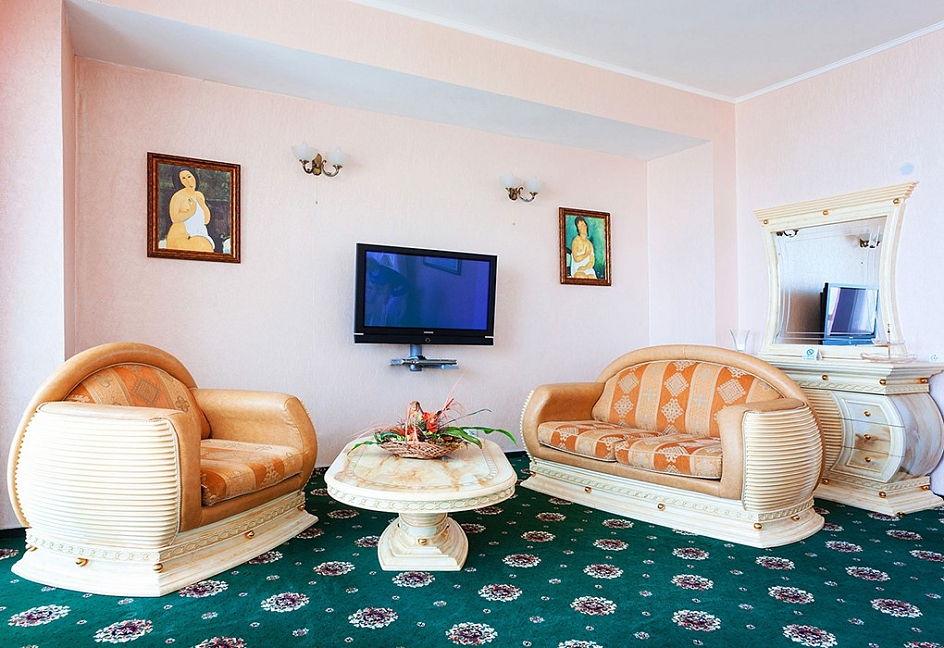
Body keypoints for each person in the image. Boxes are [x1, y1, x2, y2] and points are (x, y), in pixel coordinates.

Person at [165, 168, 214, 251]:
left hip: (200, 233)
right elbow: (174, 218)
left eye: (189, 176)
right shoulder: (178, 196)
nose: (188, 181)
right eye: (183, 178)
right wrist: (191, 212)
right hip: (182, 235)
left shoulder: (199, 195)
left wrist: (202, 204)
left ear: (194, 176)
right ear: (180, 181)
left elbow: (206, 220)